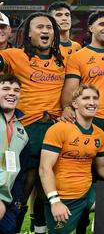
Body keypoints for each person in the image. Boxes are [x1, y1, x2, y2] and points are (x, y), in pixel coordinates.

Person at [39, 84, 104, 233]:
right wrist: (55, 201)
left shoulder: (99, 134)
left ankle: (95, 227)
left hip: (87, 194)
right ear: (75, 104)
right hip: (63, 198)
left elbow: (102, 168)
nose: (92, 102)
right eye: (86, 98)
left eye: (95, 98)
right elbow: (44, 168)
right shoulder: (59, 129)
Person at [0, 12, 65, 234]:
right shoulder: (14, 55)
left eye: (49, 27)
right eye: (39, 27)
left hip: (55, 129)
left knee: (47, 185)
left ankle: (39, 230)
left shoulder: (64, 58)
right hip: (25, 130)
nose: (45, 31)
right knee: (23, 184)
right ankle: (13, 227)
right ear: (28, 33)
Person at [0, 75, 29, 231]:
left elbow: (20, 173)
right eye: (5, 88)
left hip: (8, 202)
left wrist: (15, 203)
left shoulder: (22, 132)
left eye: (16, 90)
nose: (12, 93)